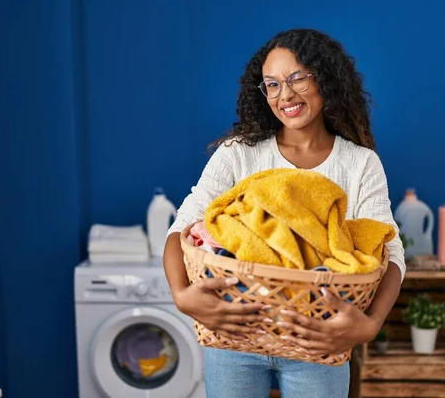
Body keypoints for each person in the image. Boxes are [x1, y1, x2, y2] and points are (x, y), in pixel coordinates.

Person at [163, 28, 404, 398]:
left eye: (297, 78)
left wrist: (369, 326)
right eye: (271, 84)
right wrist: (181, 295)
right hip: (234, 335)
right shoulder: (238, 153)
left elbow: (389, 250)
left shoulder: (359, 163)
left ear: (324, 79)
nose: (285, 95)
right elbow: (184, 225)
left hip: (317, 338)